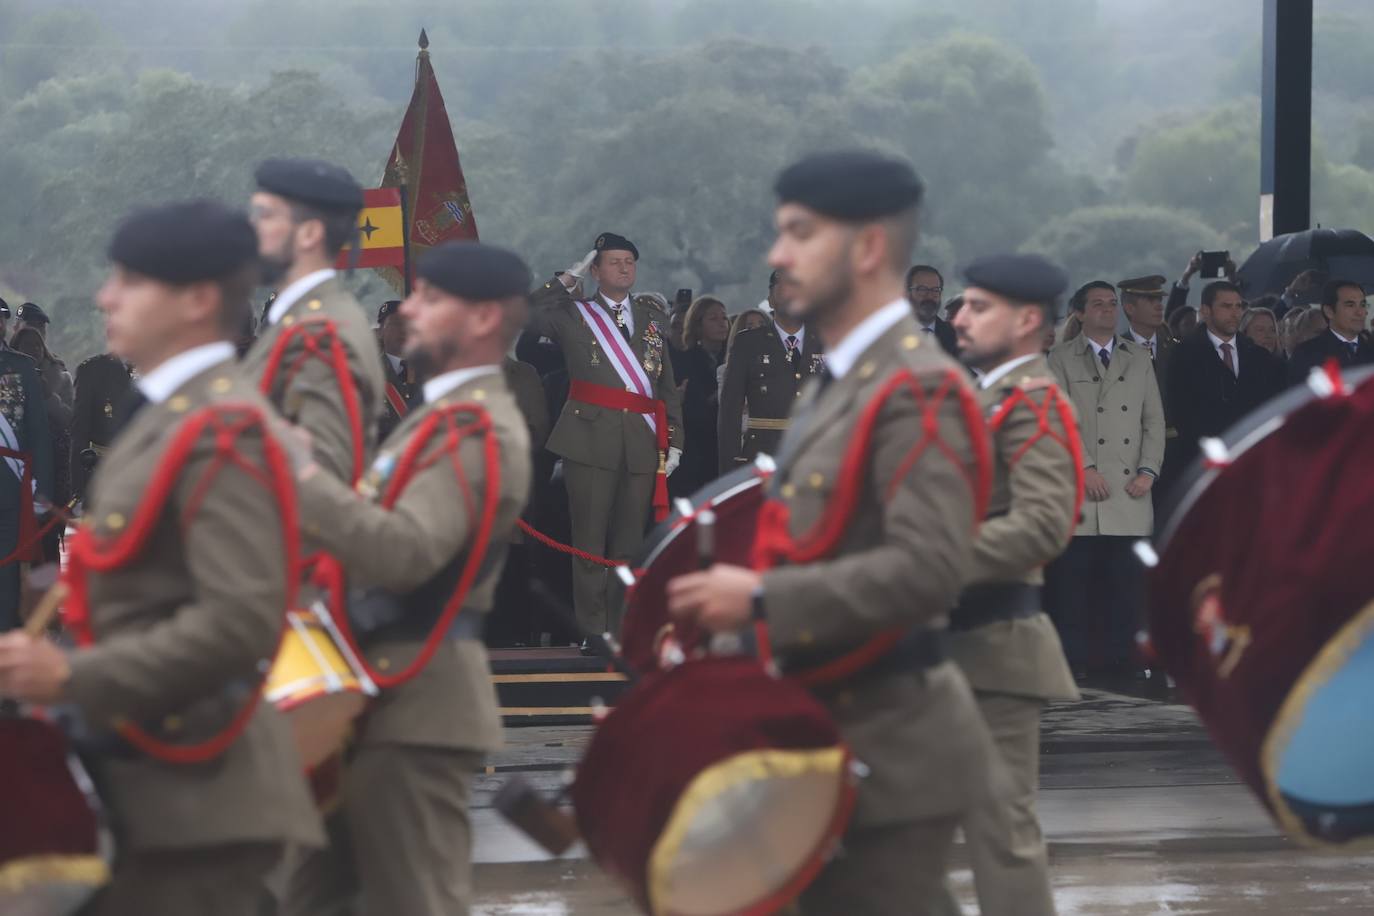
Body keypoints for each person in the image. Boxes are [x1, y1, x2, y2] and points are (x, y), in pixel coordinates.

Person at [667, 150, 993, 914]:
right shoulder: (839, 377)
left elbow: (929, 570)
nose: (778, 256)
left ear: (869, 248)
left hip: (890, 741)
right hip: (826, 730)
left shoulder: (917, 385)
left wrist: (759, 599)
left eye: (799, 234)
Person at [0, 200, 321, 913]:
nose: (105, 297)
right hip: (152, 776)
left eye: (129, 281)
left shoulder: (224, 428)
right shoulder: (167, 415)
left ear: (197, 301)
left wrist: (71, 672)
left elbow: (238, 624)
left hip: (208, 795)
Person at [282, 241, 532, 916]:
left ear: (482, 319)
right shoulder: (438, 418)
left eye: (429, 299)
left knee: (415, 902)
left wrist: (306, 479)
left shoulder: (479, 427)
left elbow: (405, 553)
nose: (408, 312)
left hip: (417, 706)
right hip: (365, 695)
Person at [947, 254, 1081, 916]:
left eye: (977, 306)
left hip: (997, 648)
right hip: (945, 648)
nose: (958, 316)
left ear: (1027, 320)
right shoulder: (984, 396)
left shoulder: (1036, 401)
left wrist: (930, 561)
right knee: (895, 835)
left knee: (1002, 839)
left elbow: (1043, 527)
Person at [528, 232, 684, 636]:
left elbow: (664, 385)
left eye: (630, 261)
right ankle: (594, 631)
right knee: (589, 544)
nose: (624, 267)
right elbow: (524, 316)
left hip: (641, 440)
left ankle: (624, 628)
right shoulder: (573, 313)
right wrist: (564, 281)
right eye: (614, 261)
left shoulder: (651, 317)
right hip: (589, 438)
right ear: (595, 270)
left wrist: (676, 440)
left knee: (630, 545)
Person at [239, 157, 385, 485]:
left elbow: (324, 476)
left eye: (265, 215)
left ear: (308, 234)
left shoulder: (320, 333)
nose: (251, 227)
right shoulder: (300, 320)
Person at [1047, 280, 1164, 675]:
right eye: (1097, 304)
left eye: (1112, 303)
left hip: (1130, 491)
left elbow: (1154, 421)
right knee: (1075, 589)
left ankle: (1126, 661)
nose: (1108, 310)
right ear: (1079, 312)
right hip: (1082, 492)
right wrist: (1085, 468)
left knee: (1127, 588)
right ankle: (1076, 663)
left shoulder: (1138, 356)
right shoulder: (1060, 358)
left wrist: (1149, 470)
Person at [1165, 281, 1285, 476]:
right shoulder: (1185, 354)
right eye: (1226, 306)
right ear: (1205, 311)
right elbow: (1182, 411)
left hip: (1255, 461)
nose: (1235, 313)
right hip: (1204, 463)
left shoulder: (1257, 355)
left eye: (1238, 306)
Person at [717, 279, 826, 472]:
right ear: (770, 300)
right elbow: (730, 409)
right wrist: (731, 462)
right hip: (762, 454)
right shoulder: (748, 343)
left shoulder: (826, 339)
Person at [0, 300, 51, 631]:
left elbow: (39, 434)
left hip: (10, 486)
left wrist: (42, 492)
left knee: (5, 574)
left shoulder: (21, 368)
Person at [10, 326, 71, 562]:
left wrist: (48, 396)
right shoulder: (9, 376)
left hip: (53, 465)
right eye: (27, 346)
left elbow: (69, 418)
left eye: (37, 346)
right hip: (18, 464)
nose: (33, 351)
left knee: (48, 537)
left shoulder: (60, 377)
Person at [671, 295, 729, 496]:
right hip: (695, 451)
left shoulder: (736, 358)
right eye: (713, 318)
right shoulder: (684, 362)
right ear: (697, 325)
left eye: (724, 317)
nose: (722, 323)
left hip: (725, 447)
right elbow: (690, 409)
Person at [69, 351, 133, 502]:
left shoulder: (161, 367)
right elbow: (80, 430)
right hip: (103, 473)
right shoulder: (93, 370)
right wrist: (79, 488)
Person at [1286, 281, 1374, 384]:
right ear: (1329, 311)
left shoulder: (1370, 348)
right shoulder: (1306, 354)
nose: (1360, 312)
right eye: (1350, 305)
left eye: (1363, 305)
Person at [13, 302, 74, 412]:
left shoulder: (60, 376)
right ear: (15, 328)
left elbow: (69, 421)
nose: (36, 331)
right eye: (31, 325)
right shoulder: (5, 363)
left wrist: (48, 396)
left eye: (41, 326)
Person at [376, 298, 419, 441]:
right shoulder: (371, 373)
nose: (402, 329)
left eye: (407, 324)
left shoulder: (428, 371)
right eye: (395, 323)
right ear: (381, 331)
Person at [906, 264, 959, 356]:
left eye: (935, 290)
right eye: (922, 289)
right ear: (906, 293)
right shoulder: (889, 335)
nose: (929, 296)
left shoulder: (956, 337)